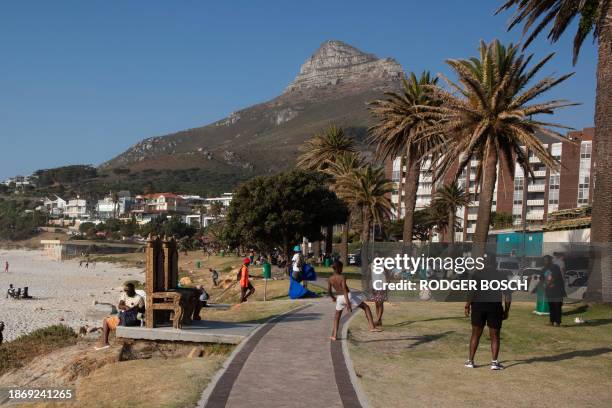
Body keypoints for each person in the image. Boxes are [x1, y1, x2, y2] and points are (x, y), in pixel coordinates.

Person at [464, 260, 512, 370]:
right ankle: (494, 363)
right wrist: (507, 310)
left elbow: (472, 291)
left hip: (478, 307)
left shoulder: (477, 274)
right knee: (495, 335)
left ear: (484, 264)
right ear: (495, 264)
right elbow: (508, 295)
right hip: (494, 307)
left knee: (475, 334)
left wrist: (467, 305)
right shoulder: (501, 275)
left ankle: (470, 361)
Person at [328, 260, 381, 341]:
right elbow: (345, 290)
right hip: (348, 297)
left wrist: (332, 297)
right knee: (366, 307)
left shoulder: (330, 279)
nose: (342, 269)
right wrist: (348, 304)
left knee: (337, 317)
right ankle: (372, 327)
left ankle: (334, 335)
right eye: (341, 268)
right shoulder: (342, 277)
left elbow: (329, 291)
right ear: (338, 268)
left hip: (339, 298)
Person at [96, 283, 145, 349]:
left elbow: (142, 311)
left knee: (106, 321)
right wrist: (125, 307)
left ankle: (105, 343)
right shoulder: (125, 295)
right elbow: (120, 305)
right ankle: (105, 342)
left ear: (133, 290)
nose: (126, 292)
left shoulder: (139, 298)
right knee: (107, 320)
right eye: (125, 290)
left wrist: (133, 309)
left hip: (129, 319)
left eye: (127, 290)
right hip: (124, 317)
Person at [538, 255, 566, 326]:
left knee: (557, 306)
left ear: (551, 260)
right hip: (549, 291)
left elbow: (554, 277)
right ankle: (551, 321)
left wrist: (546, 284)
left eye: (547, 260)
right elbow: (541, 278)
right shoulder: (544, 269)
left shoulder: (555, 267)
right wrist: (543, 284)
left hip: (557, 290)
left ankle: (558, 322)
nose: (546, 261)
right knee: (551, 306)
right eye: (544, 260)